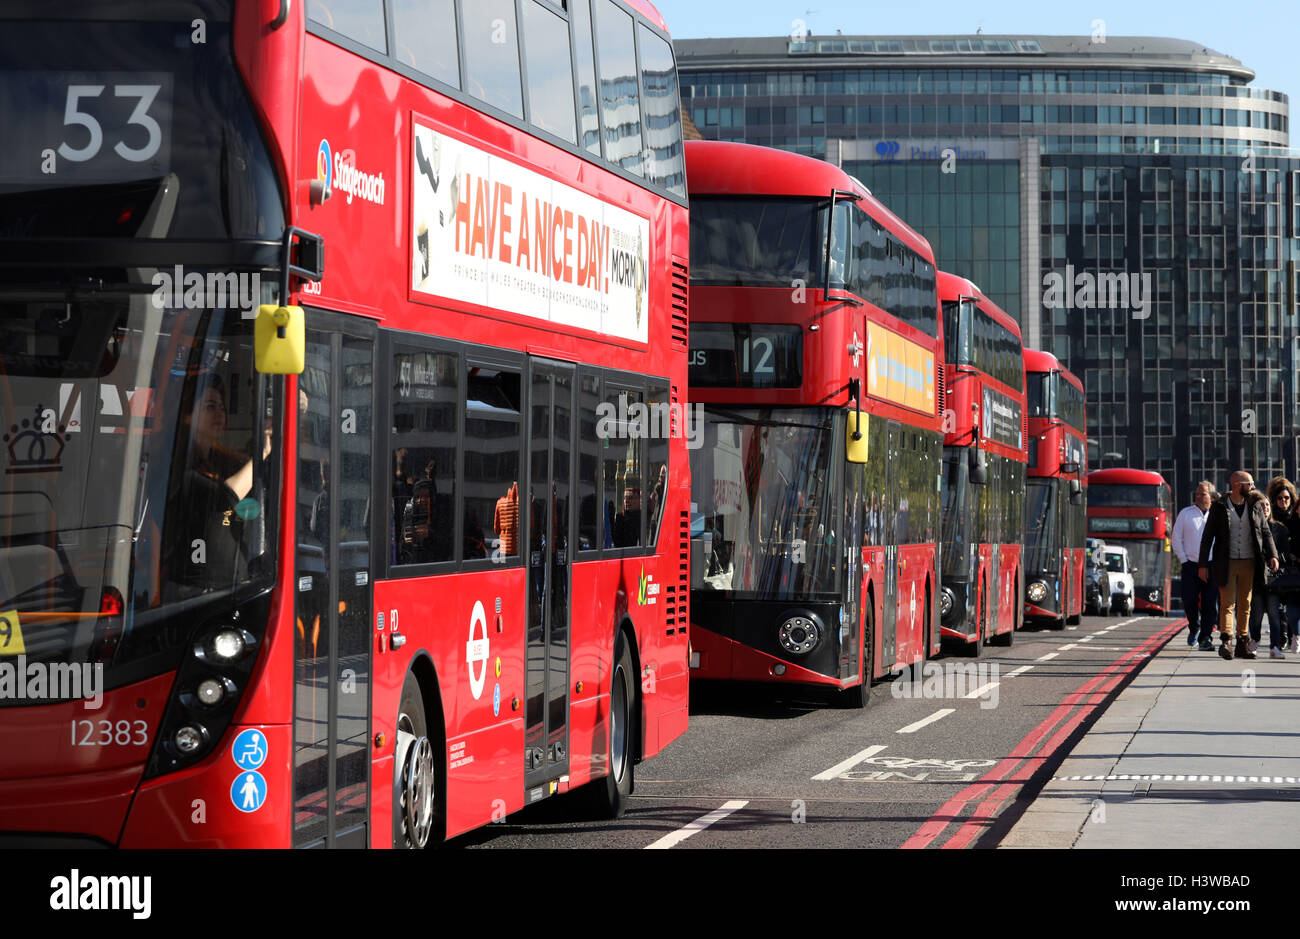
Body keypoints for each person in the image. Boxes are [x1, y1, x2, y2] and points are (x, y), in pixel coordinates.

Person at [1198, 470, 1278, 660]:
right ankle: (1226, 641)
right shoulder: (1219, 507)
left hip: (1250, 561)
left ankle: (1242, 642)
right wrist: (1203, 565)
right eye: (1249, 484)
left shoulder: (1255, 505)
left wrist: (1273, 555)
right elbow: (1207, 537)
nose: (1252, 487)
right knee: (1227, 603)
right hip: (1226, 561)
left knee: (1246, 603)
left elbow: (1265, 532)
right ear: (1236, 485)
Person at [1172, 481, 1219, 650]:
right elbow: (1176, 538)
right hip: (1190, 565)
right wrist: (1183, 560)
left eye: (1203, 494)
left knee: (1209, 604)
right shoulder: (1186, 513)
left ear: (1211, 496)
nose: (1198, 497)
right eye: (1197, 494)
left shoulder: (1218, 514)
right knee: (1189, 600)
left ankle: (1206, 638)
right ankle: (1194, 627)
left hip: (1212, 566)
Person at [1263, 477, 1300, 655]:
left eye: (1286, 498)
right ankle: (1283, 637)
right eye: (1280, 498)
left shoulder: (1295, 516)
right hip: (1278, 567)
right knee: (1279, 605)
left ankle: (1294, 635)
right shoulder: (1272, 519)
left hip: (1294, 566)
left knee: (1292, 603)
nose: (1283, 501)